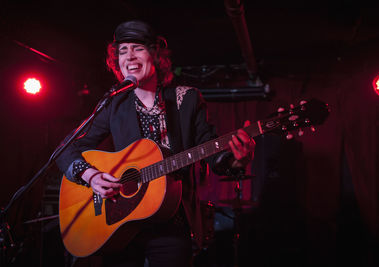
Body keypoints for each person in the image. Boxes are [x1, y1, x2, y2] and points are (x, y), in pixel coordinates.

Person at [56, 19, 255, 267]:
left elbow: (212, 152)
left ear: (155, 55)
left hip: (172, 222)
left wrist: (237, 159)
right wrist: (92, 176)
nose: (129, 56)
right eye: (122, 50)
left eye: (137, 48)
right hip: (121, 222)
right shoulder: (114, 105)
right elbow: (65, 149)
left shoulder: (187, 99)